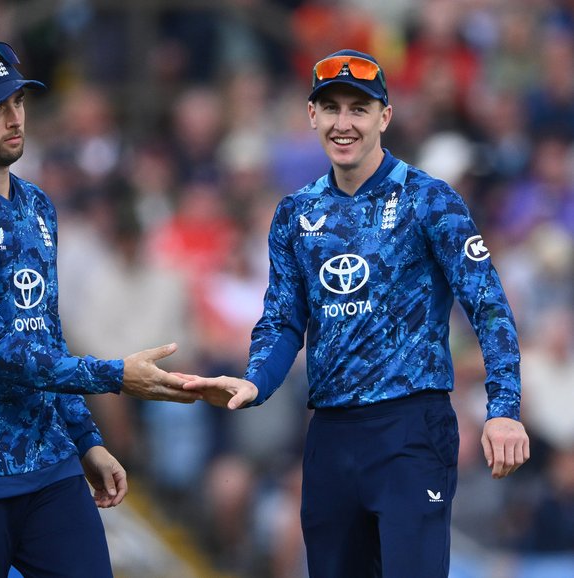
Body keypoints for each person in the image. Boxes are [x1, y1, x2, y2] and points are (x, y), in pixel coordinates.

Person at [179, 48, 530, 578]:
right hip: (331, 436)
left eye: (359, 109)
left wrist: (504, 408)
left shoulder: (429, 200)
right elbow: (281, 321)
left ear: (384, 117)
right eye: (332, 108)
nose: (344, 124)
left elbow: (489, 304)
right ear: (312, 116)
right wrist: (255, 381)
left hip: (411, 429)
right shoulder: (295, 214)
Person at [0, 41, 197, 578]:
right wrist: (115, 377)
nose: (12, 118)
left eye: (17, 101)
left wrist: (85, 440)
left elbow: (44, 337)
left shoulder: (37, 207)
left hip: (48, 467)